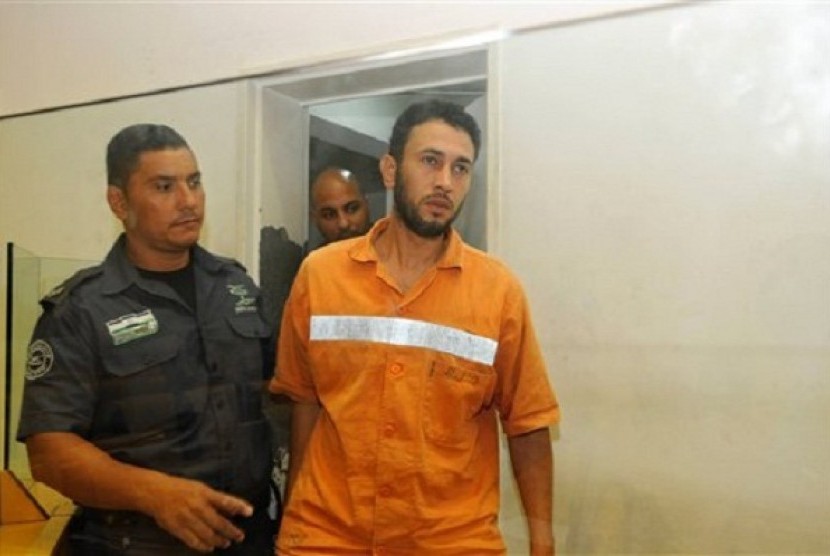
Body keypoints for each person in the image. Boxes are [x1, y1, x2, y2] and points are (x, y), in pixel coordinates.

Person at [269, 100, 560, 555]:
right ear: (389, 169)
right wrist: (293, 523)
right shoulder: (319, 275)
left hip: (450, 541)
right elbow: (305, 401)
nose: (445, 181)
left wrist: (543, 542)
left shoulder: (497, 291)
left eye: (461, 168)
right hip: (328, 538)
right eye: (430, 161)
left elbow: (528, 424)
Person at [17, 124, 275, 555]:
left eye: (194, 182)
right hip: (135, 543)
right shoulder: (82, 309)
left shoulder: (237, 288)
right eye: (164, 186)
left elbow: (277, 394)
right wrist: (155, 494)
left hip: (247, 539)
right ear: (119, 202)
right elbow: (49, 451)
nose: (188, 201)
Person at [308, 167, 371, 247]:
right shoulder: (316, 259)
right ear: (315, 219)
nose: (343, 224)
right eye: (329, 215)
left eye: (352, 209)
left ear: (366, 204)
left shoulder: (390, 249)